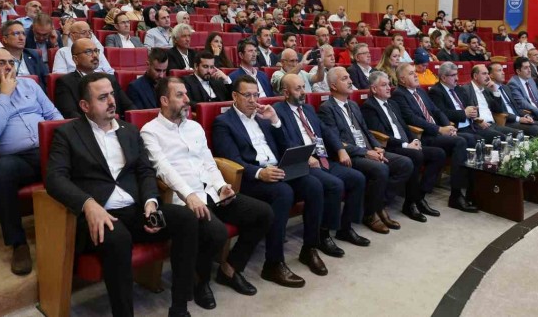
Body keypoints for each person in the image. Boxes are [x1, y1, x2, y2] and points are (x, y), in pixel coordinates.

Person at [46, 73, 199, 317]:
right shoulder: (68, 134)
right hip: (100, 215)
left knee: (186, 219)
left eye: (112, 95)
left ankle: (179, 307)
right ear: (84, 105)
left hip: (136, 209)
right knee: (118, 239)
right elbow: (55, 179)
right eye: (102, 97)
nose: (111, 101)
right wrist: (88, 204)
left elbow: (145, 170)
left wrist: (151, 201)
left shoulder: (129, 131)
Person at [141, 77, 273, 306]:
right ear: (164, 100)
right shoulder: (150, 131)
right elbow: (163, 170)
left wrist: (221, 186)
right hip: (183, 200)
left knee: (263, 214)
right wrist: (189, 195)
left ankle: (230, 269)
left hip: (211, 192)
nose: (187, 99)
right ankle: (200, 281)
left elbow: (208, 162)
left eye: (186, 94)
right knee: (216, 233)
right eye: (180, 95)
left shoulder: (194, 127)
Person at [212, 75, 325, 286]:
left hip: (277, 169)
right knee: (283, 193)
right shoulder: (224, 123)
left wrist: (275, 121)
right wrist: (259, 173)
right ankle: (273, 263)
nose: (253, 100)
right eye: (247, 95)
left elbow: (285, 147)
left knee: (314, 186)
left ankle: (309, 248)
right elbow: (232, 160)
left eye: (256, 95)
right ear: (235, 96)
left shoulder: (263, 117)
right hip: (251, 177)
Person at [0, 48, 63, 275]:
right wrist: (5, 95)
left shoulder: (30, 85)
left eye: (11, 62)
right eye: (1, 63)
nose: (9, 67)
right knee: (2, 171)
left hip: (48, 151)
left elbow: (54, 115)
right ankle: (18, 244)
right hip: (18, 160)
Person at [275, 73, 369, 252]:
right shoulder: (279, 111)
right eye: (298, 89)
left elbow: (326, 131)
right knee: (334, 185)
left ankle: (345, 228)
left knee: (357, 178)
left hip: (322, 157)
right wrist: (305, 157)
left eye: (303, 87)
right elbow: (283, 140)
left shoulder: (308, 109)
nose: (303, 92)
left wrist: (340, 149)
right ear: (286, 93)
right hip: (302, 162)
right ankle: (323, 234)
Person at [318, 67, 414, 233]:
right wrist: (365, 153)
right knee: (381, 169)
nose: (350, 81)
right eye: (344, 79)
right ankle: (370, 214)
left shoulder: (353, 105)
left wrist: (376, 146)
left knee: (405, 163)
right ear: (333, 86)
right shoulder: (327, 108)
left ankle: (377, 204)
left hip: (368, 149)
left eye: (349, 77)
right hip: (351, 155)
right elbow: (335, 141)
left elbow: (366, 131)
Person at [390, 63, 478, 212]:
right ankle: (456, 195)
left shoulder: (420, 91)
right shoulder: (399, 94)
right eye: (411, 73)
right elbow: (412, 119)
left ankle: (470, 189)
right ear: (402, 80)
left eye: (415, 72)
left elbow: (436, 111)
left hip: (436, 131)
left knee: (470, 139)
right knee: (460, 142)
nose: (416, 75)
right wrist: (439, 129)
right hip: (423, 135)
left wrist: (448, 127)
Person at [361, 71, 446, 220]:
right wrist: (406, 145)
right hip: (390, 146)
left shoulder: (392, 103)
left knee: (438, 154)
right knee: (416, 155)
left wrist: (414, 140)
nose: (389, 88)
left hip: (406, 144)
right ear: (374, 89)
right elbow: (380, 134)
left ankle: (419, 196)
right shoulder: (369, 106)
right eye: (384, 85)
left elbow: (404, 126)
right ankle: (410, 203)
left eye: (389, 84)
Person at [54, 39, 135, 119]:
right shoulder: (65, 82)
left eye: (96, 51)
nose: (95, 55)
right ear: (76, 59)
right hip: (86, 126)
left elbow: (129, 107)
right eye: (88, 52)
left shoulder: (109, 79)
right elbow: (71, 114)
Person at [428, 62, 504, 143]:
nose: (457, 78)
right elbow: (442, 113)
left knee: (499, 137)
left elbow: (468, 106)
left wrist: (473, 112)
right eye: (453, 75)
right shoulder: (436, 91)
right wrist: (464, 113)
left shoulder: (458, 88)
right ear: (443, 78)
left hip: (472, 125)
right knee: (478, 140)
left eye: (457, 74)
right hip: (457, 128)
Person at [485, 62, 538, 139]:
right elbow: (497, 111)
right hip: (506, 121)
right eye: (499, 71)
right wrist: (518, 119)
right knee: (534, 129)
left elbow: (517, 106)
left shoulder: (506, 88)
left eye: (503, 70)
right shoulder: (488, 90)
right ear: (491, 75)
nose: (503, 73)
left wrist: (526, 116)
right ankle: (536, 147)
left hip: (518, 118)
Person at [460, 64, 517, 138]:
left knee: (517, 133)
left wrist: (495, 91)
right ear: (475, 76)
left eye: (487, 73)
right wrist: (478, 121)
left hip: (492, 124)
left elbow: (498, 110)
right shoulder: (466, 90)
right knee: (502, 137)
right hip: (479, 126)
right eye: (484, 74)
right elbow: (465, 111)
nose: (488, 77)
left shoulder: (487, 89)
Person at [0, 20, 48, 89]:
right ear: (5, 39)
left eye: (23, 34)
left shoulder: (34, 55)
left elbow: (46, 81)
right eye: (16, 34)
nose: (21, 38)